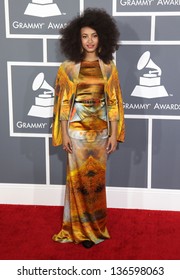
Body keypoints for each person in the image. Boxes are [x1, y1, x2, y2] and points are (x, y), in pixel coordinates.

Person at [52, 8, 125, 249]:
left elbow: (113, 102)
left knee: (96, 184)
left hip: (101, 135)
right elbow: (63, 103)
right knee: (78, 182)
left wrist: (114, 133)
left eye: (94, 35)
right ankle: (79, 229)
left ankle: (96, 227)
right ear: (77, 38)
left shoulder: (109, 68)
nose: (90, 41)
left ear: (102, 36)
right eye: (85, 36)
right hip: (76, 134)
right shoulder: (68, 68)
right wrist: (64, 133)